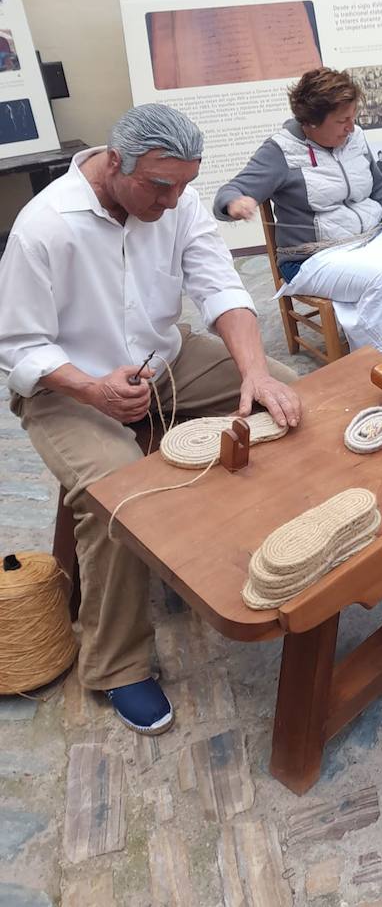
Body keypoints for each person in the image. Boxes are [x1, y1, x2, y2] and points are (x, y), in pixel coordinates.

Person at [0, 105, 301, 737]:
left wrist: (255, 372)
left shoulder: (176, 202)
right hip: (66, 387)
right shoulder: (44, 227)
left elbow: (221, 289)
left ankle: (283, 550)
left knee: (288, 392)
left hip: (163, 361)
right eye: (158, 186)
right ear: (115, 164)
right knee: (119, 487)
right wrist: (91, 389)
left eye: (184, 185)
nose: (171, 200)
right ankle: (116, 665)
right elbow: (19, 347)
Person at [214, 68, 382, 375]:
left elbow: (377, 185)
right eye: (341, 120)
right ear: (310, 122)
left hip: (369, 237)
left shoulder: (354, 137)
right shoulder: (281, 151)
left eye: (353, 117)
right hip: (314, 256)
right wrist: (235, 203)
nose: (351, 127)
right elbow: (230, 191)